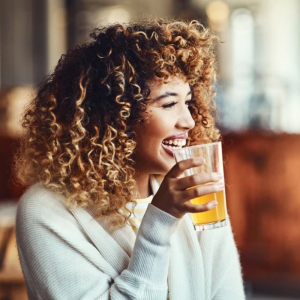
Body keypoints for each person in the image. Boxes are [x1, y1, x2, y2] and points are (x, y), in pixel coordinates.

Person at [15, 18, 245, 299]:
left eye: (189, 102)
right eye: (169, 103)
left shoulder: (192, 191)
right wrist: (159, 221)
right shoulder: (47, 211)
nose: (188, 121)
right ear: (115, 117)